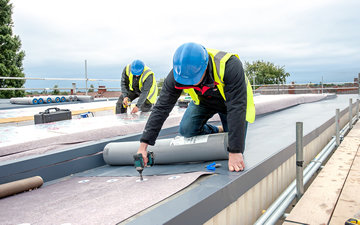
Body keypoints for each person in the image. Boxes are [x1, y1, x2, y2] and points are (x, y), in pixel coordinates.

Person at [136, 42, 255, 172]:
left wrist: (235, 150)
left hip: (230, 102)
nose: (189, 83)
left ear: (205, 67)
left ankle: (228, 134)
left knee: (231, 144)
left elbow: (236, 107)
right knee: (186, 130)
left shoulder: (230, 65)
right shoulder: (178, 73)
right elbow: (161, 108)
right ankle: (217, 130)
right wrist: (143, 145)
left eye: (193, 79)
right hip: (204, 101)